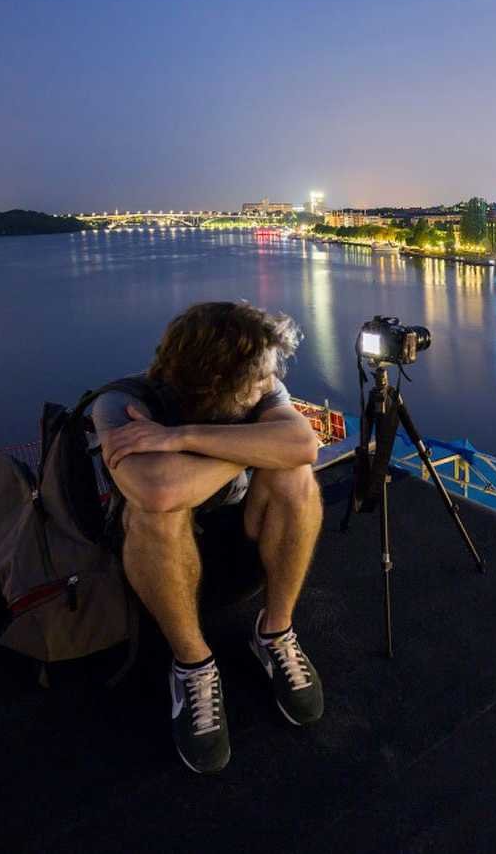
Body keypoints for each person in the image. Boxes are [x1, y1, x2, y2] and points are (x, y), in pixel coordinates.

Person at [92, 301, 325, 775]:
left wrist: (179, 440)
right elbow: (159, 490)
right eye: (258, 377)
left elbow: (304, 446)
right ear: (218, 380)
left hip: (236, 542)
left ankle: (275, 633)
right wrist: (255, 449)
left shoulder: (259, 389)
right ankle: (193, 664)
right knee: (158, 513)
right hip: (158, 566)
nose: (269, 383)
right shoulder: (119, 404)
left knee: (295, 478)